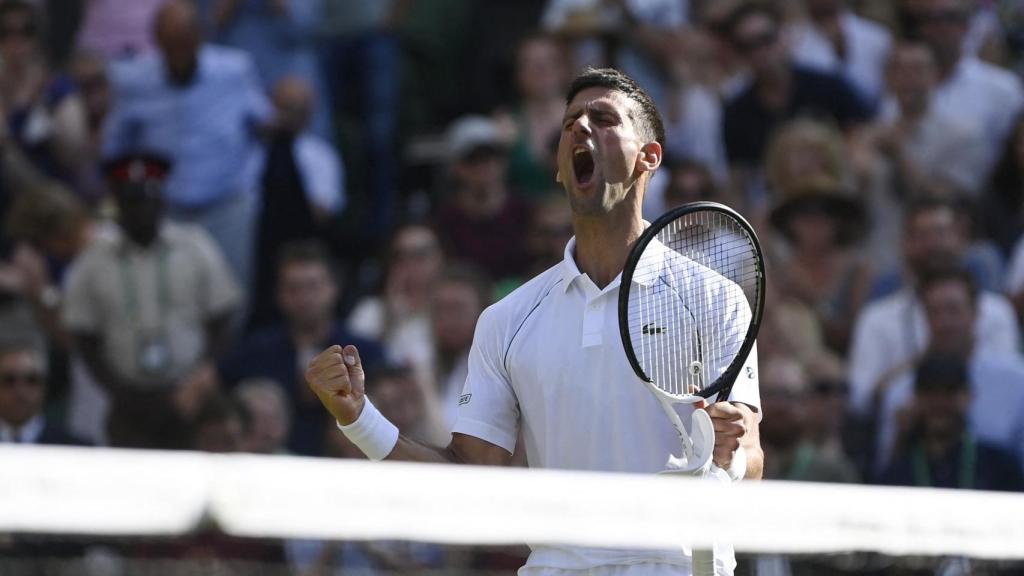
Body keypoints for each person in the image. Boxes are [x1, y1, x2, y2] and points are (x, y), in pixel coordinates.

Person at [307, 67, 763, 575]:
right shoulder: (507, 320)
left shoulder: (715, 298)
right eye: (571, 123)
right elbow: (471, 479)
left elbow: (750, 454)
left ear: (648, 157)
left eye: (603, 118)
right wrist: (358, 419)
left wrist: (733, 456)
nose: (580, 129)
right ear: (560, 171)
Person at [63, 152, 241, 448]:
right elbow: (83, 333)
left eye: (147, 200)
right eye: (131, 202)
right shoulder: (94, 259)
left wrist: (201, 373)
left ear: (162, 200)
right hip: (127, 400)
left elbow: (222, 314)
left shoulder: (194, 245)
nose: (140, 210)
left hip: (188, 397)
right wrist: (116, 388)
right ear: (117, 205)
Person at [103, 0, 272, 292]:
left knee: (233, 291)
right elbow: (114, 144)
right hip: (166, 209)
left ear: (200, 37)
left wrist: (251, 179)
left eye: (185, 42)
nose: (179, 52)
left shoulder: (234, 69)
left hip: (227, 202)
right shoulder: (134, 80)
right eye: (171, 44)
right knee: (174, 293)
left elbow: (263, 124)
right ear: (157, 42)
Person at [847, 197, 1019, 416]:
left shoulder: (996, 311)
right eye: (922, 236)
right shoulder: (877, 318)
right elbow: (861, 401)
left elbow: (1006, 391)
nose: (933, 245)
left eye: (941, 233)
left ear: (962, 238)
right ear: (905, 244)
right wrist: (928, 357)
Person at [219, 240, 383, 456]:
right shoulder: (254, 351)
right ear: (279, 295)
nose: (305, 298)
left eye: (313, 286)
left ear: (333, 288)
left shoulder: (364, 352)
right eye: (294, 289)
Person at [875, 266, 1024, 475]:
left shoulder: (1017, 381)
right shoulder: (902, 391)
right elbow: (884, 475)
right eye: (935, 312)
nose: (945, 322)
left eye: (953, 310)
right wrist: (904, 434)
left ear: (975, 312)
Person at [879, 352, 1024, 491]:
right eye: (930, 392)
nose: (939, 403)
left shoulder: (999, 468)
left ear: (968, 396)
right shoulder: (897, 474)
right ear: (915, 398)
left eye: (949, 391)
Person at [0, 339, 86, 445]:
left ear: (44, 386)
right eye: (9, 380)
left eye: (32, 380)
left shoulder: (75, 449)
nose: (20, 391)